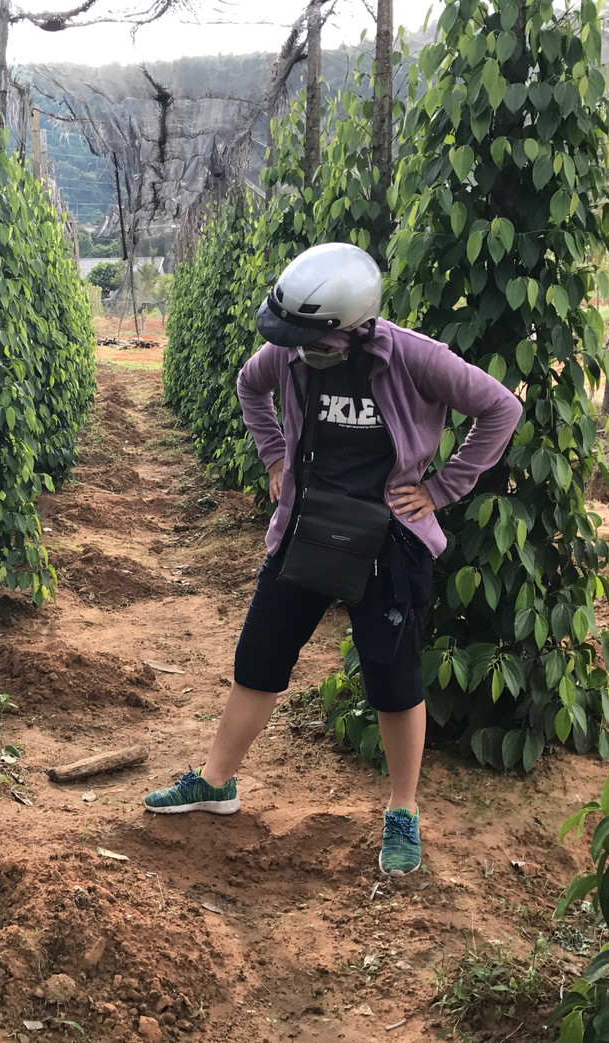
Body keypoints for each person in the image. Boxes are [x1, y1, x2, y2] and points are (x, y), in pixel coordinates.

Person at [143, 242, 522, 876]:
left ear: (355, 324)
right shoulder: (289, 350)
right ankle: (215, 782)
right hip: (307, 528)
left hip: (389, 540)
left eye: (314, 341)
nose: (299, 351)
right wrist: (273, 456)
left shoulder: (415, 358)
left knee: (393, 678)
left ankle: (402, 810)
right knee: (259, 657)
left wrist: (441, 489)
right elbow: (250, 384)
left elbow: (501, 408)